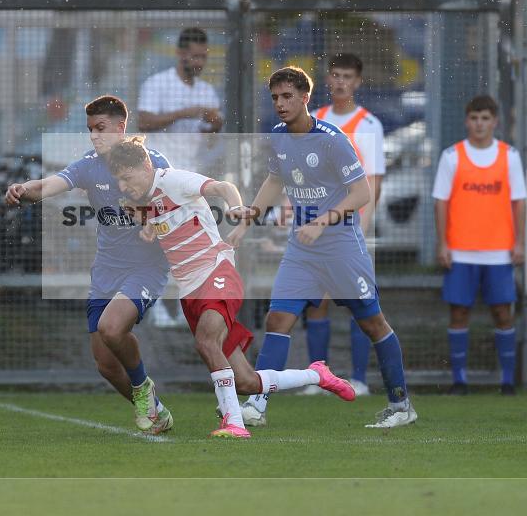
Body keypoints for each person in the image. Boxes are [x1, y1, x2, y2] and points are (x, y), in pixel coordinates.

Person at [107, 137, 356, 439]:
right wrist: (148, 227)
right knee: (246, 381)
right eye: (118, 180)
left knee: (206, 341)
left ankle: (234, 422)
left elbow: (223, 188)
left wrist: (236, 206)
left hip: (216, 271)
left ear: (145, 166)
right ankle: (317, 374)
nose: (122, 186)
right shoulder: (146, 199)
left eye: (126, 177)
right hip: (191, 292)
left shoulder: (171, 180)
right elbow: (166, 222)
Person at [230, 66, 418, 429]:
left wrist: (321, 221)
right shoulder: (279, 137)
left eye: (287, 97)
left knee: (373, 323)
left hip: (341, 246)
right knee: (278, 319)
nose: (281, 104)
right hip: (302, 248)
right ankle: (257, 403)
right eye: (275, 98)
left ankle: (400, 405)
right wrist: (247, 221)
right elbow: (274, 179)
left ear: (305, 98)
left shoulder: (332, 139)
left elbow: (361, 193)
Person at [4, 95, 174, 434]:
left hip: (146, 269)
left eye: (101, 128)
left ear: (120, 127)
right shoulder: (87, 165)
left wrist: (155, 224)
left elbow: (175, 205)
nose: (94, 136)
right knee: (107, 365)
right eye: (90, 130)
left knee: (113, 328)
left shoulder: (151, 162)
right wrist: (25, 189)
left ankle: (143, 387)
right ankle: (156, 410)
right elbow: (50, 185)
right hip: (107, 270)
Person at [303, 53, 386, 397]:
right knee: (317, 300)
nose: (340, 82)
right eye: (335, 75)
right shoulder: (315, 120)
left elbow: (373, 181)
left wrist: (362, 228)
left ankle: (359, 379)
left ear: (358, 82)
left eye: (347, 76)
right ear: (327, 79)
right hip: (319, 227)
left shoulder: (369, 125)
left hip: (351, 230)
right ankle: (317, 379)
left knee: (357, 302)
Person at [431, 95, 526, 396]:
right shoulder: (452, 156)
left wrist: (519, 242)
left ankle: (507, 381)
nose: (480, 124)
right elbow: (441, 202)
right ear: (466, 120)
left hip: (499, 251)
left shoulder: (509, 156)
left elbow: (518, 202)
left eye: (485, 118)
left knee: (503, 313)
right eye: (474, 118)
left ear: (495, 121)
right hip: (460, 250)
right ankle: (459, 381)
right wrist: (443, 243)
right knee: (459, 313)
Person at [137, 27, 224, 325]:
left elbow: (210, 139)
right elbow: (144, 121)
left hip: (191, 177)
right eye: (193, 55)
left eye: (203, 56)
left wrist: (214, 125)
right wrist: (185, 112)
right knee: (161, 243)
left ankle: (186, 307)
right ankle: (156, 307)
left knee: (190, 244)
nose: (198, 61)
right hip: (160, 177)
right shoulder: (158, 84)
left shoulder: (207, 91)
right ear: (180, 53)